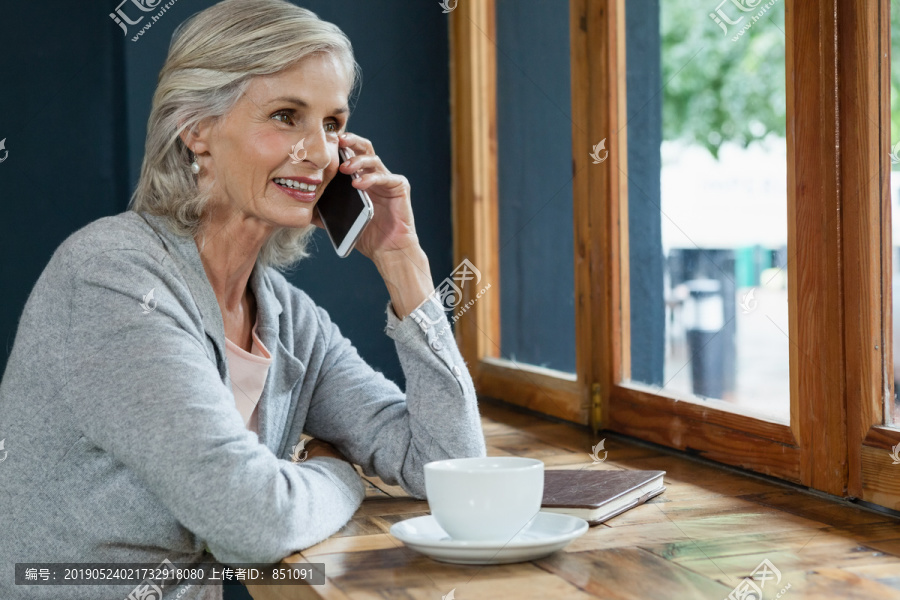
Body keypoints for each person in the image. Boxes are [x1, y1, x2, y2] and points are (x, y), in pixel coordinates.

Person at [0, 1, 486, 598]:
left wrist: (404, 262)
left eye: (333, 124)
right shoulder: (114, 279)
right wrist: (339, 473)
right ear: (197, 130)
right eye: (287, 116)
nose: (320, 152)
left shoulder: (286, 316)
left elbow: (450, 469)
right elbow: (254, 522)